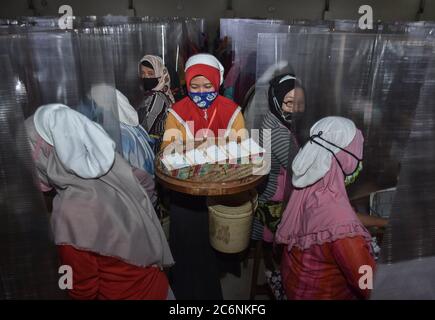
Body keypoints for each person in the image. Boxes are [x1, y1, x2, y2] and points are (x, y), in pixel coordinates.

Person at [25, 104, 174, 300]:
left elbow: (80, 288)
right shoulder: (109, 164)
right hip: (158, 286)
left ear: (45, 155)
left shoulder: (68, 214)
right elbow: (146, 185)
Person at [161, 53, 247, 300]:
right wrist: (200, 146)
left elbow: (240, 146)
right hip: (185, 192)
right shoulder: (177, 112)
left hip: (220, 191)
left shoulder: (231, 111)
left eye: (207, 86)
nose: (201, 92)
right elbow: (168, 149)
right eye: (194, 87)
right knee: (187, 248)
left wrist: (203, 146)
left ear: (217, 83)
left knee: (215, 243)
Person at [276, 116, 376, 300]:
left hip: (296, 287)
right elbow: (369, 286)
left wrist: (384, 222)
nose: (360, 158)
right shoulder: (345, 232)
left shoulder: (309, 186)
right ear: (344, 157)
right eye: (357, 151)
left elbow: (340, 219)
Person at [250, 74, 305, 298]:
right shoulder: (278, 132)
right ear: (276, 100)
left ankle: (272, 279)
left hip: (267, 196)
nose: (295, 109)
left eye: (299, 103)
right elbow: (300, 168)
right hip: (276, 202)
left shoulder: (272, 119)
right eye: (289, 103)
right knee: (284, 252)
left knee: (271, 251)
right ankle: (280, 285)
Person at [137, 55, 175, 152]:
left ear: (160, 75)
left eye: (150, 74)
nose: (146, 77)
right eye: (142, 73)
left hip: (157, 149)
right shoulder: (149, 94)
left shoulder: (157, 97)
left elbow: (146, 128)